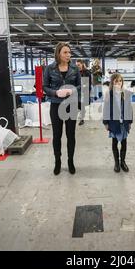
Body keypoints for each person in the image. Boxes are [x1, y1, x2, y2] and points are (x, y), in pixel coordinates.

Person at [43, 42, 81, 175]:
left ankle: (71, 161)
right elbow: (45, 87)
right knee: (57, 135)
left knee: (71, 135)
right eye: (65, 52)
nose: (68, 55)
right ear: (58, 53)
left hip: (71, 105)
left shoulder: (75, 69)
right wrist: (55, 93)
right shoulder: (50, 68)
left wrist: (71, 91)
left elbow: (80, 86)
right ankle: (57, 161)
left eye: (69, 52)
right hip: (56, 104)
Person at [103, 73, 133, 173]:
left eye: (120, 81)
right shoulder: (109, 94)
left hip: (123, 122)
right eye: (116, 81)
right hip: (113, 122)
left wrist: (129, 122)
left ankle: (123, 162)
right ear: (112, 82)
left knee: (124, 142)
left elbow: (129, 108)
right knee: (114, 142)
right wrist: (106, 123)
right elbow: (106, 109)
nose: (118, 83)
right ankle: (116, 163)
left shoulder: (125, 93)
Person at [76, 59, 91, 126]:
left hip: (84, 92)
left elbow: (89, 83)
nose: (77, 66)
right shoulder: (75, 72)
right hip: (77, 91)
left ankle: (82, 119)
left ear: (82, 64)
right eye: (76, 65)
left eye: (78, 65)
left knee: (82, 105)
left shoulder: (86, 72)